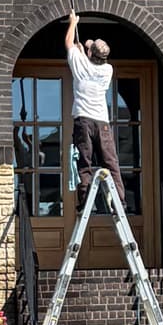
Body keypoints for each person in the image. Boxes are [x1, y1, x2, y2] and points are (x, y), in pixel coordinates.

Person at [65, 10, 123, 199]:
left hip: (84, 121)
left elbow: (68, 43)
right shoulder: (108, 69)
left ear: (90, 53)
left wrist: (73, 22)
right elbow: (90, 54)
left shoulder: (80, 64)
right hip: (102, 122)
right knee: (111, 162)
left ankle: (84, 199)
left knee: (85, 162)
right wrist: (85, 51)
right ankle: (119, 200)